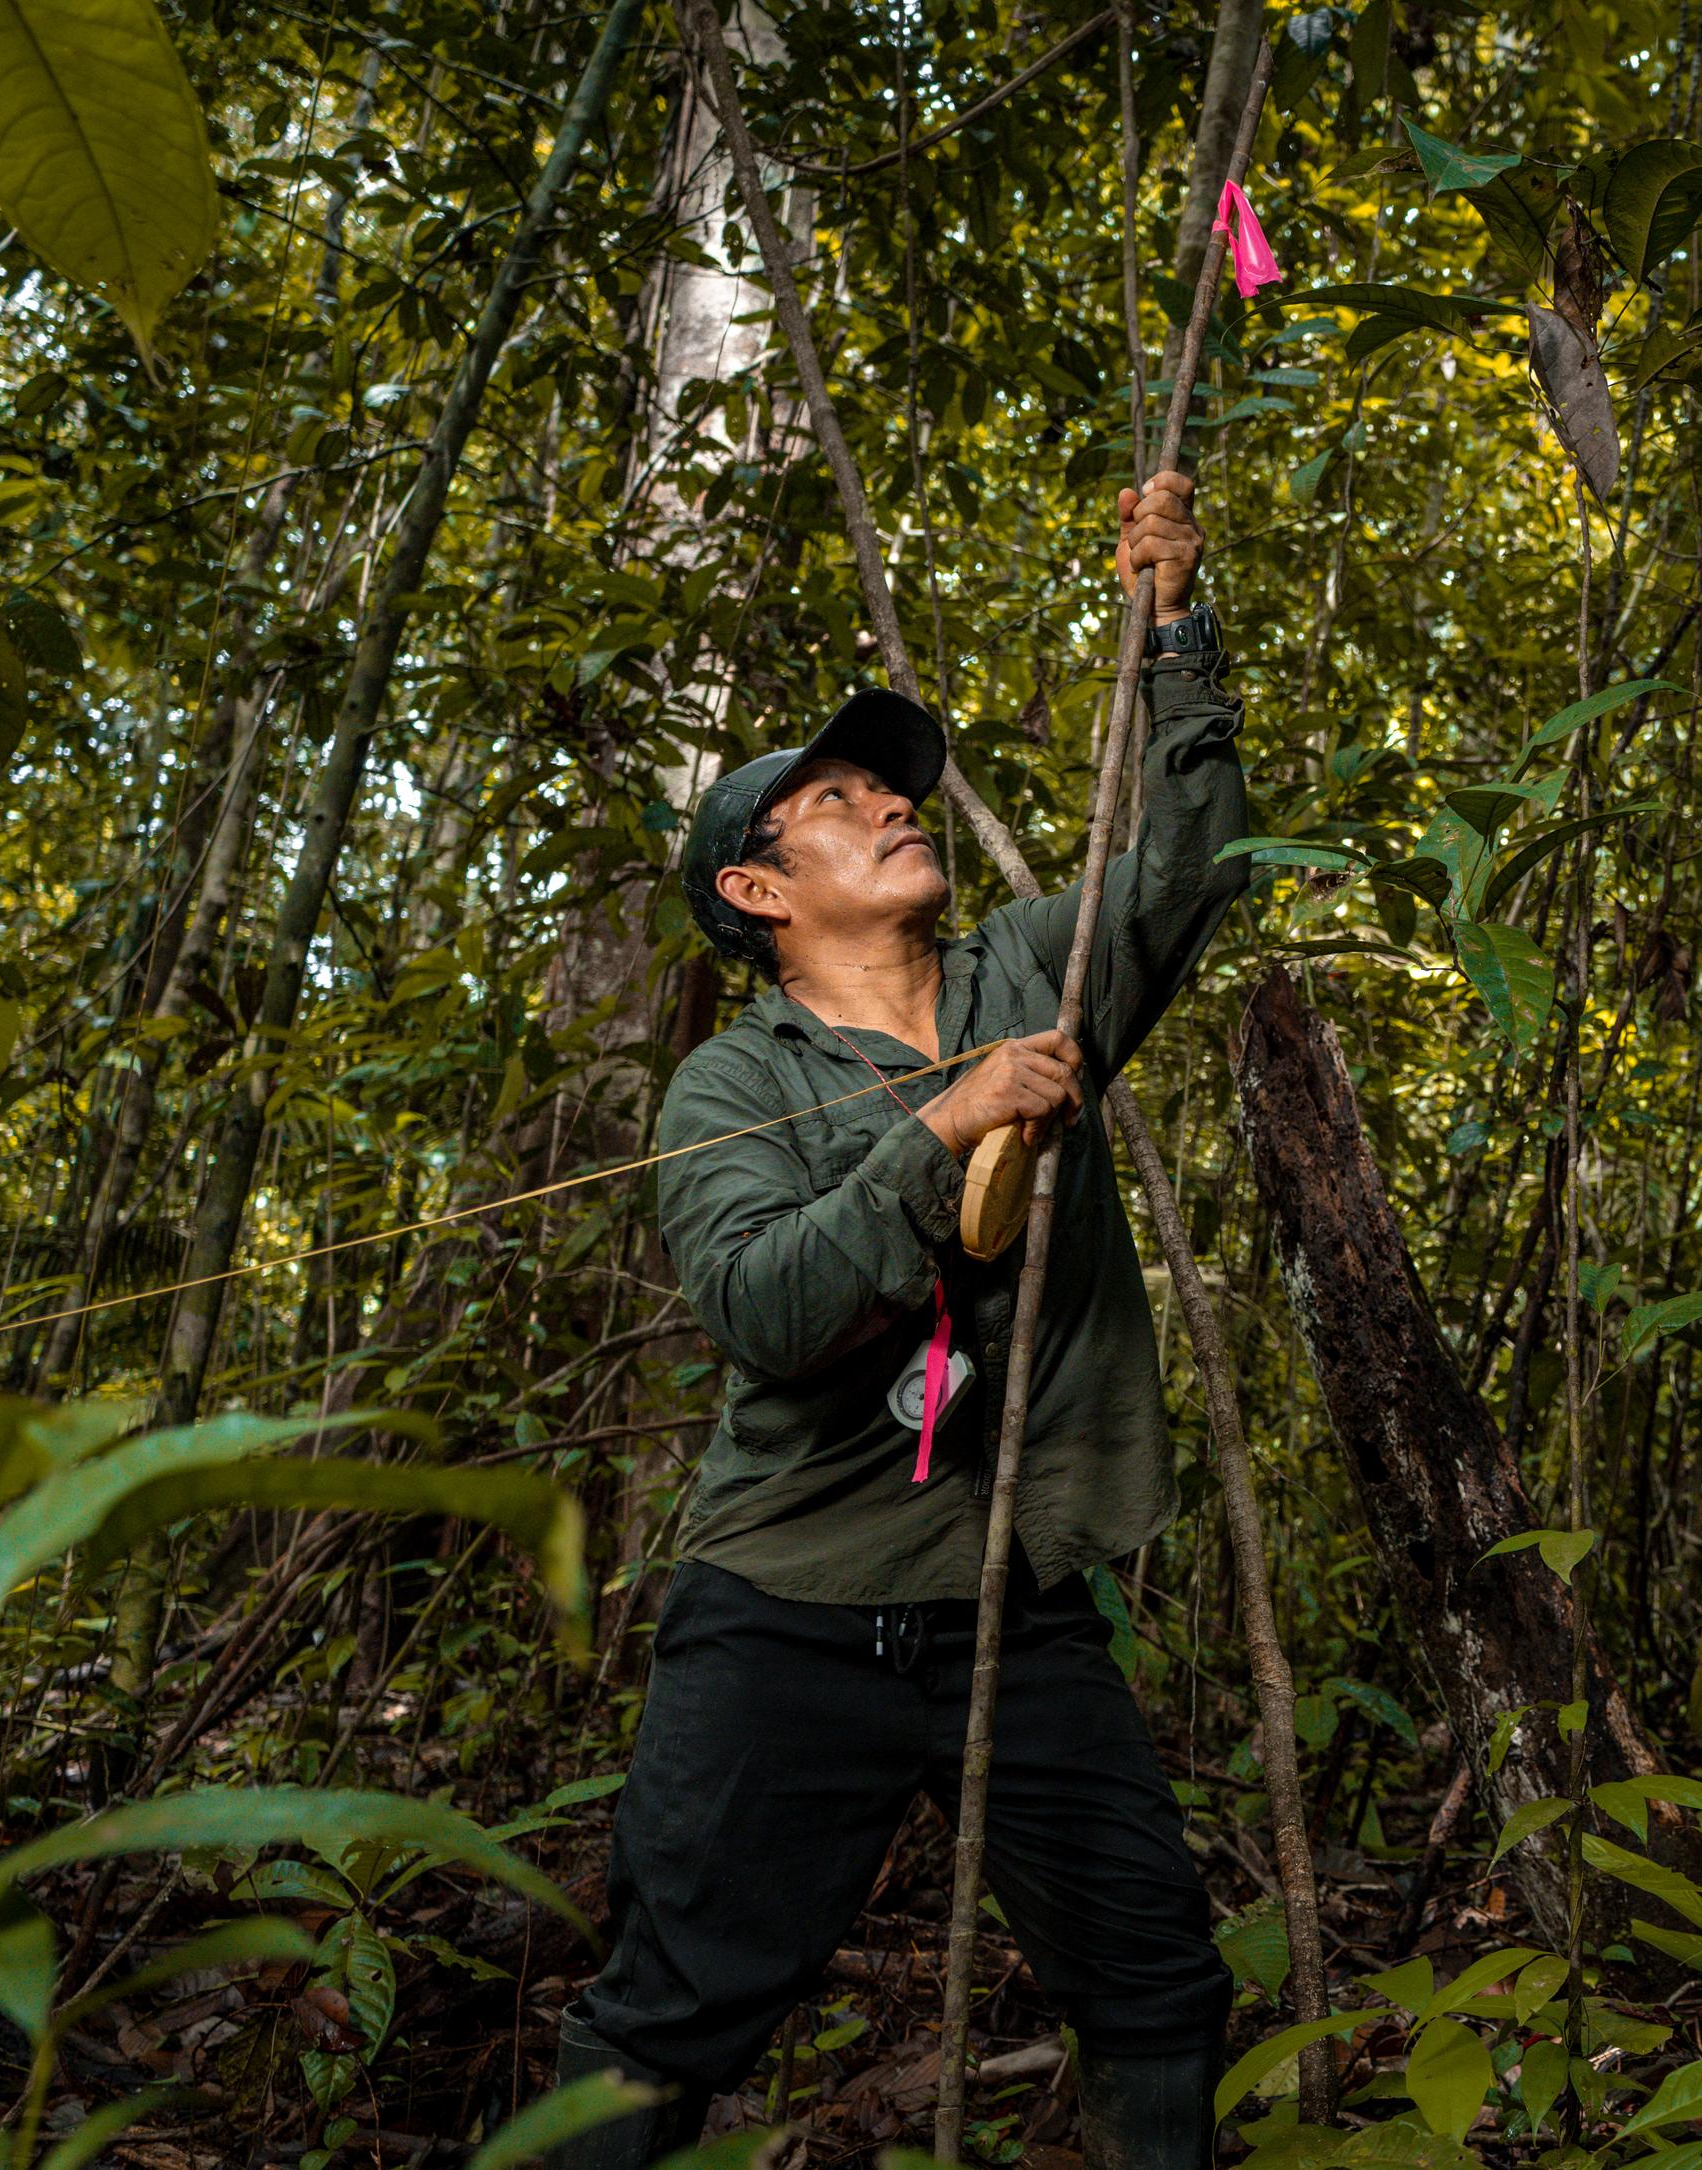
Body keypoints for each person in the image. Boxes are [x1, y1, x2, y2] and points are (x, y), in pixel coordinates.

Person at [553, 472, 1245, 2170]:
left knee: (1157, 1982)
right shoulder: (730, 1084)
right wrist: (941, 1129)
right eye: (838, 803)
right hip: (789, 1609)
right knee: (663, 2022)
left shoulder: (1033, 975)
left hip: (1015, 1597)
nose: (889, 807)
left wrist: (1172, 631)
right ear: (758, 892)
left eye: (890, 789)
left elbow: (1188, 864)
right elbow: (770, 1309)